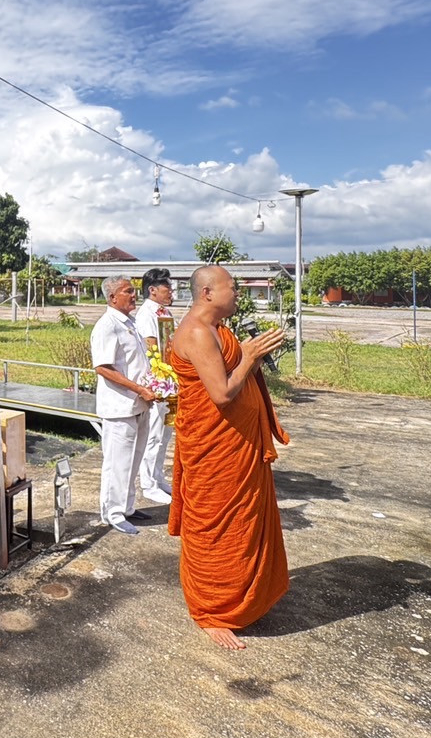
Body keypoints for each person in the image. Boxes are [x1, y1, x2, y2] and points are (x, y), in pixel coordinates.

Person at [168, 265, 289, 651]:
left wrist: (250, 354)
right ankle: (211, 608)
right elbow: (221, 394)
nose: (238, 293)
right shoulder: (199, 333)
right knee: (217, 524)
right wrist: (250, 356)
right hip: (215, 447)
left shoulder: (219, 328)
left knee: (243, 522)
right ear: (207, 293)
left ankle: (243, 593)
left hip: (237, 445)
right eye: (232, 288)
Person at [91, 276, 159, 536]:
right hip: (120, 406)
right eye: (128, 291)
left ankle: (128, 507)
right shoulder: (107, 325)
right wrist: (139, 388)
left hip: (139, 404)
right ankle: (113, 512)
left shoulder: (130, 322)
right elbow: (103, 368)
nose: (134, 295)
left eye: (133, 290)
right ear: (112, 298)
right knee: (117, 462)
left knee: (134, 458)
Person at [134, 269, 177, 506]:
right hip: (159, 380)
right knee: (153, 434)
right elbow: (152, 348)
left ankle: (158, 477)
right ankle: (148, 483)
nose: (170, 291)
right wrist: (161, 379)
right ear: (153, 290)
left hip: (172, 379)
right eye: (166, 287)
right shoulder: (146, 314)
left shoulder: (165, 311)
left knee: (166, 433)